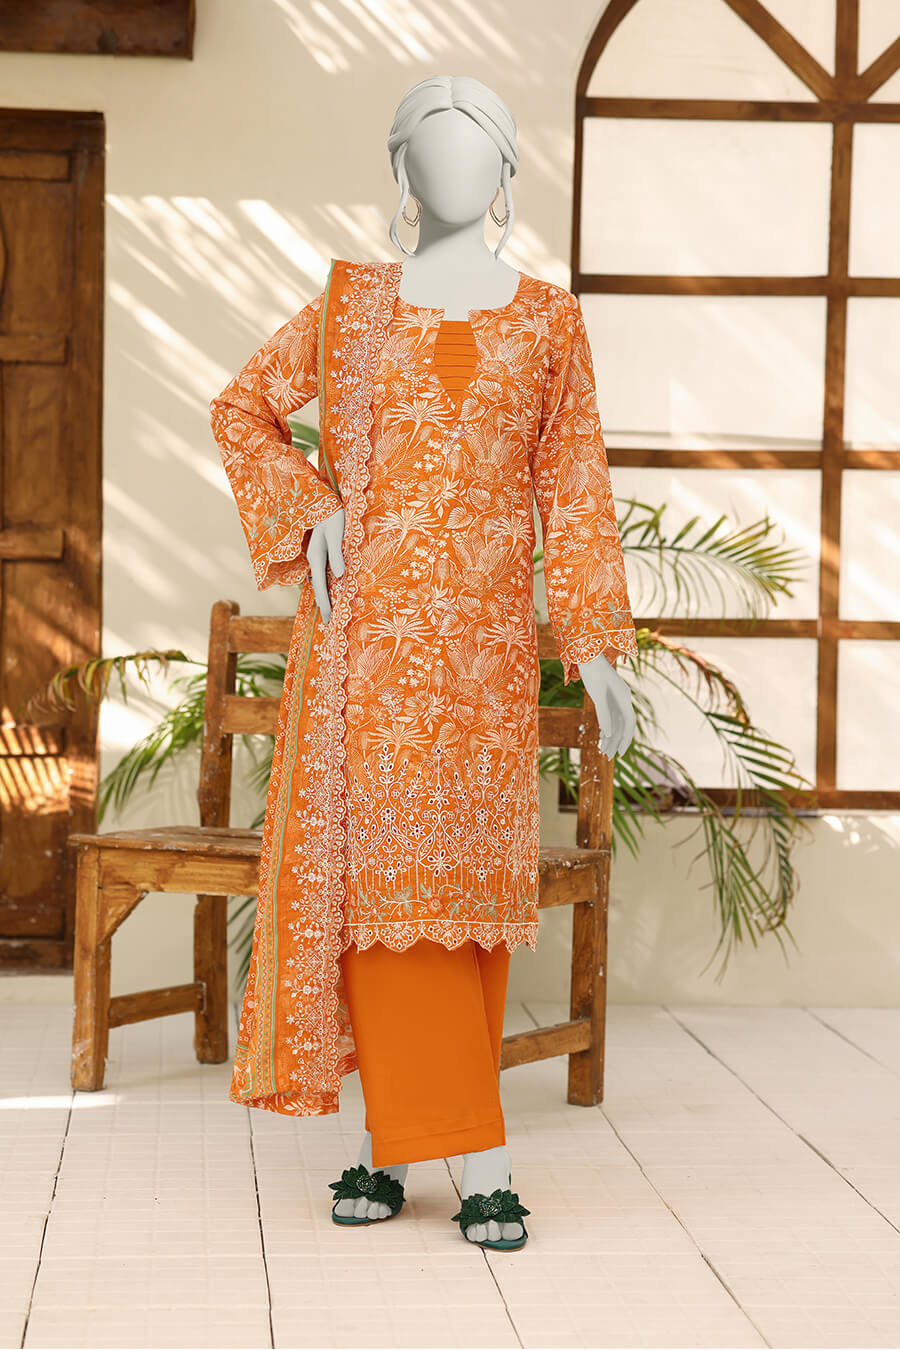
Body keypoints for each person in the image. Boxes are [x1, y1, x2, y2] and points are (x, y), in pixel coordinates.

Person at [209, 73, 637, 1252]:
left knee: (465, 907)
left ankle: (388, 1148)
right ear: (400, 172)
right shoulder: (352, 310)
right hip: (368, 656)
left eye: (475, 147)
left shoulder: (548, 323)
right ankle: (481, 1161)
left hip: (487, 663)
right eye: (430, 148)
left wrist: (597, 646)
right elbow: (243, 410)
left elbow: (576, 490)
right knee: (384, 897)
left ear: (506, 173)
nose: (452, 167)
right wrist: (311, 508)